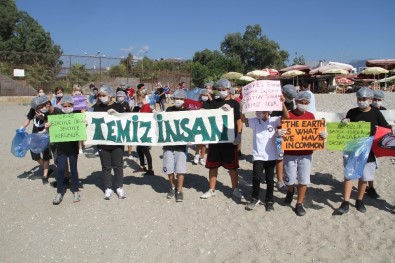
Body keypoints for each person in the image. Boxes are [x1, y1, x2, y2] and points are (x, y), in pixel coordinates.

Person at [336, 87, 394, 214]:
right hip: (352, 148)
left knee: (364, 177)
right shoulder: (352, 111)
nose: (361, 101)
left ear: (370, 99)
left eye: (364, 99)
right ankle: (345, 202)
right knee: (349, 175)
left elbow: (385, 127)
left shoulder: (376, 113)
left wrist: (392, 128)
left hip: (369, 149)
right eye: (359, 99)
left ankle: (359, 200)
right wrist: (343, 122)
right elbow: (345, 128)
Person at [279, 91, 327, 216]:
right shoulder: (289, 114)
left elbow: (314, 132)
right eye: (301, 102)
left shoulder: (310, 116)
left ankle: (299, 203)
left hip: (306, 153)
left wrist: (322, 136)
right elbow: (284, 121)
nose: (303, 104)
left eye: (306, 103)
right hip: (290, 153)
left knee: (303, 179)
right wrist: (282, 103)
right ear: (296, 101)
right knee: (289, 180)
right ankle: (290, 190)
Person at [242, 95, 289, 211]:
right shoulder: (254, 121)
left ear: (268, 111)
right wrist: (242, 107)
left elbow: (287, 117)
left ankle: (269, 200)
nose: (259, 112)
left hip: (271, 156)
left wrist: (282, 104)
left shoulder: (274, 120)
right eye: (257, 110)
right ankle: (255, 198)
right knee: (256, 178)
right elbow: (243, 119)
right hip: (258, 155)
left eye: (261, 110)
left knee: (269, 180)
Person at [200, 79, 244, 200]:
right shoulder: (214, 102)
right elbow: (204, 114)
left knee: (232, 167)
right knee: (213, 166)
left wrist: (239, 135)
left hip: (229, 139)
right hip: (215, 139)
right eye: (218, 89)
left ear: (229, 90)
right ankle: (211, 189)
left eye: (223, 89)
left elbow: (238, 120)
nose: (221, 91)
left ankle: (235, 188)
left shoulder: (234, 103)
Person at [92, 85, 127, 200]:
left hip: (117, 142)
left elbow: (127, 120)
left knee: (118, 166)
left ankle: (119, 187)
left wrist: (117, 113)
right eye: (100, 95)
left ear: (110, 95)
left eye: (104, 95)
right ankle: (108, 188)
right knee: (106, 166)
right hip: (103, 142)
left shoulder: (118, 106)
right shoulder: (96, 108)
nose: (102, 97)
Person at [46, 95, 81, 205]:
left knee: (74, 170)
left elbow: (82, 129)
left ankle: (75, 190)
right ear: (61, 106)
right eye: (64, 106)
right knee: (60, 170)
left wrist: (83, 124)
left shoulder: (77, 115)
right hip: (61, 148)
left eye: (68, 106)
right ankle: (59, 192)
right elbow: (51, 132)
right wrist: (48, 127)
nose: (66, 108)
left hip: (73, 148)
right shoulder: (57, 116)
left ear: (72, 106)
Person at [20, 96, 53, 184]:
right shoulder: (34, 110)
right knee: (35, 155)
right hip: (35, 135)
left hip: (46, 135)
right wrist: (21, 128)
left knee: (46, 155)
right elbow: (28, 119)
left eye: (41, 105)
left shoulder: (49, 110)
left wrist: (43, 118)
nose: (39, 108)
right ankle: (46, 168)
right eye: (37, 107)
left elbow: (51, 123)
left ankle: (45, 175)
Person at [163, 89, 189, 202]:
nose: (178, 100)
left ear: (184, 99)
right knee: (169, 168)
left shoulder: (188, 111)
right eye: (177, 98)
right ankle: (172, 187)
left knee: (180, 169)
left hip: (181, 145)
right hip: (168, 144)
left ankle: (179, 190)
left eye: (181, 98)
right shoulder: (169, 109)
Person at [271, 84, 297, 192]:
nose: (291, 99)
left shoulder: (291, 103)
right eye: (289, 97)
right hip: (277, 134)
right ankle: (280, 180)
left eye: (292, 97)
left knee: (286, 157)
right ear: (283, 94)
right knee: (279, 156)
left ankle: (285, 177)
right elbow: (271, 120)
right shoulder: (275, 104)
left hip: (288, 134)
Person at [133, 89, 154, 176]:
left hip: (144, 131)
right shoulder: (144, 106)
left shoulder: (145, 107)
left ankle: (150, 169)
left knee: (145, 150)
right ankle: (143, 166)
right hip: (142, 131)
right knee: (139, 149)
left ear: (139, 97)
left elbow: (143, 119)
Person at [192, 88, 211, 166]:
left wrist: (210, 97)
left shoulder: (210, 104)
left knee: (204, 143)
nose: (205, 96)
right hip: (198, 123)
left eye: (206, 95)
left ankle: (202, 158)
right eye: (203, 95)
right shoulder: (197, 103)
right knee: (198, 141)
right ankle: (196, 155)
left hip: (207, 124)